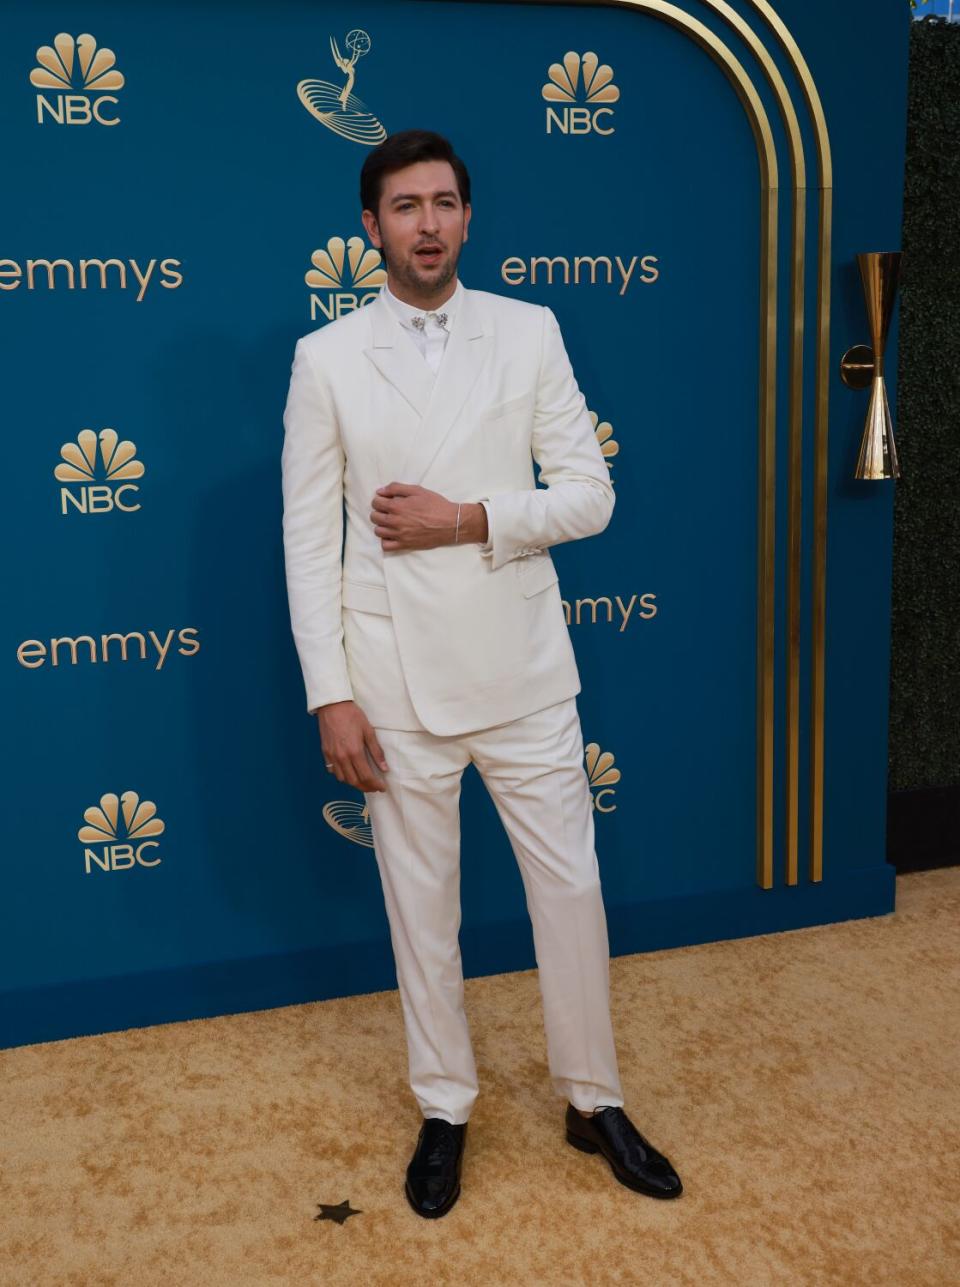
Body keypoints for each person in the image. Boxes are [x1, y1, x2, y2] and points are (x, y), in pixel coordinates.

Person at [281, 129, 683, 1218]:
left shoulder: (531, 330)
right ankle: (445, 1105)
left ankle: (593, 1099)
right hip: (392, 680)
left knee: (571, 891)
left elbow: (590, 495)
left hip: (522, 669)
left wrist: (466, 520)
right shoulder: (326, 359)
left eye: (444, 202)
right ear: (370, 227)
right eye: (404, 205)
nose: (426, 223)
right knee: (423, 908)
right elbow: (309, 541)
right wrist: (332, 692)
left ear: (468, 217)